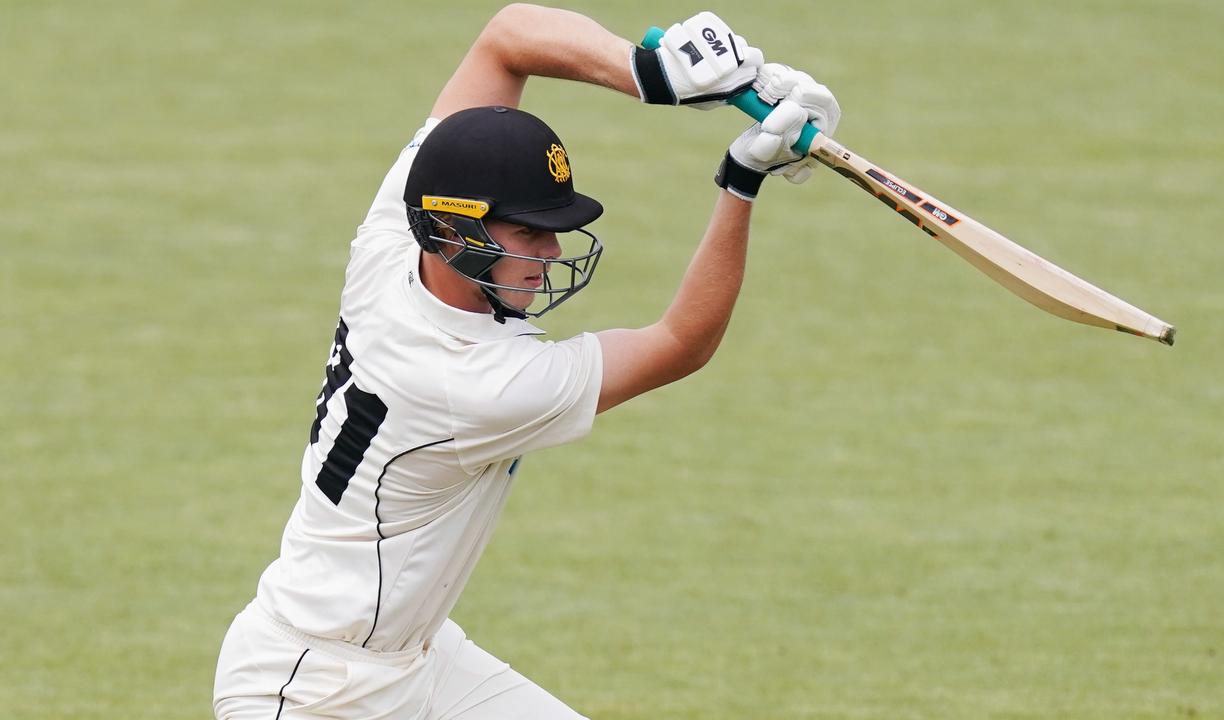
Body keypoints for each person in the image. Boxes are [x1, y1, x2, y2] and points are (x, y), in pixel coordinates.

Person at [213, 5, 840, 718]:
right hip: (316, 691)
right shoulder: (477, 384)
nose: (549, 255)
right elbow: (680, 344)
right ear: (455, 233)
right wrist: (741, 180)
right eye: (527, 233)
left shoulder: (396, 237)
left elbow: (507, 36)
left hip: (410, 658)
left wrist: (650, 72)